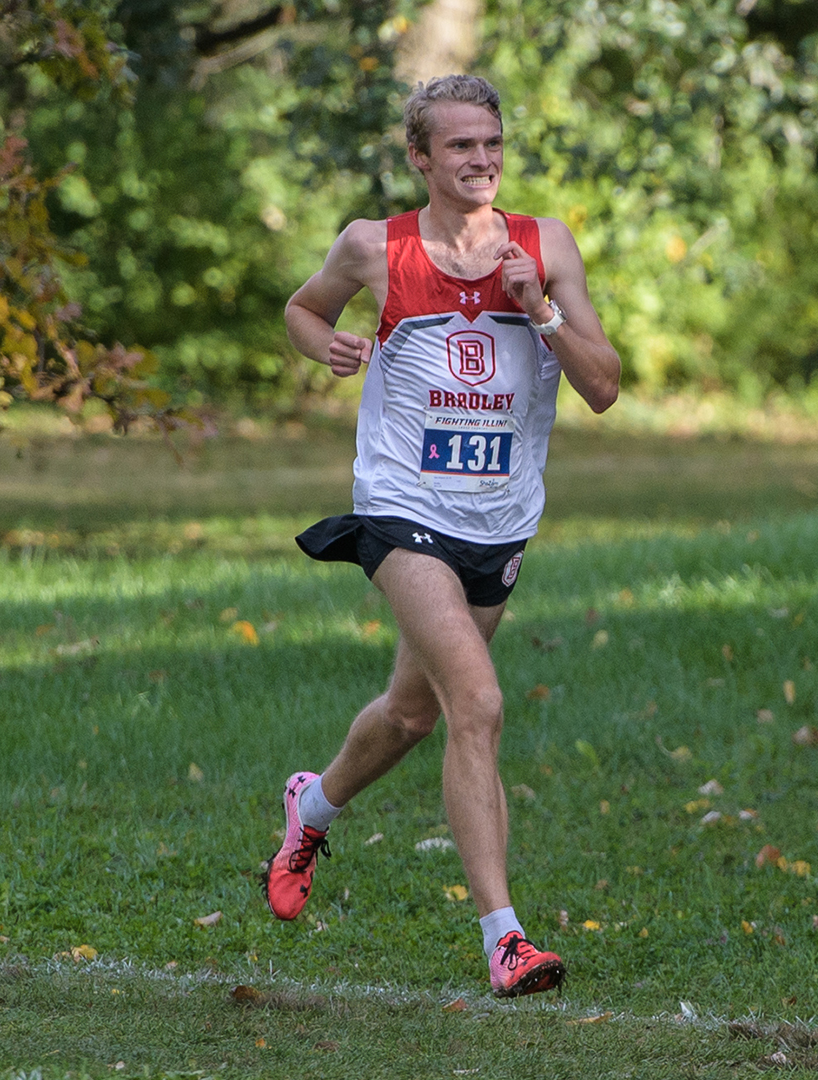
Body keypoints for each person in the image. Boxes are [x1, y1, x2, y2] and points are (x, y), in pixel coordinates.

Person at [267, 73, 621, 998]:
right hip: (401, 508)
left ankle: (312, 806)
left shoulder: (546, 249)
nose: (481, 162)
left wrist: (539, 311)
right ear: (420, 158)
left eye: (491, 145)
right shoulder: (373, 247)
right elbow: (304, 310)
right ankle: (506, 940)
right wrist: (329, 346)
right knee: (480, 703)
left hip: (499, 519)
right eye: (460, 147)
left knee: (414, 714)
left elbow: (605, 385)